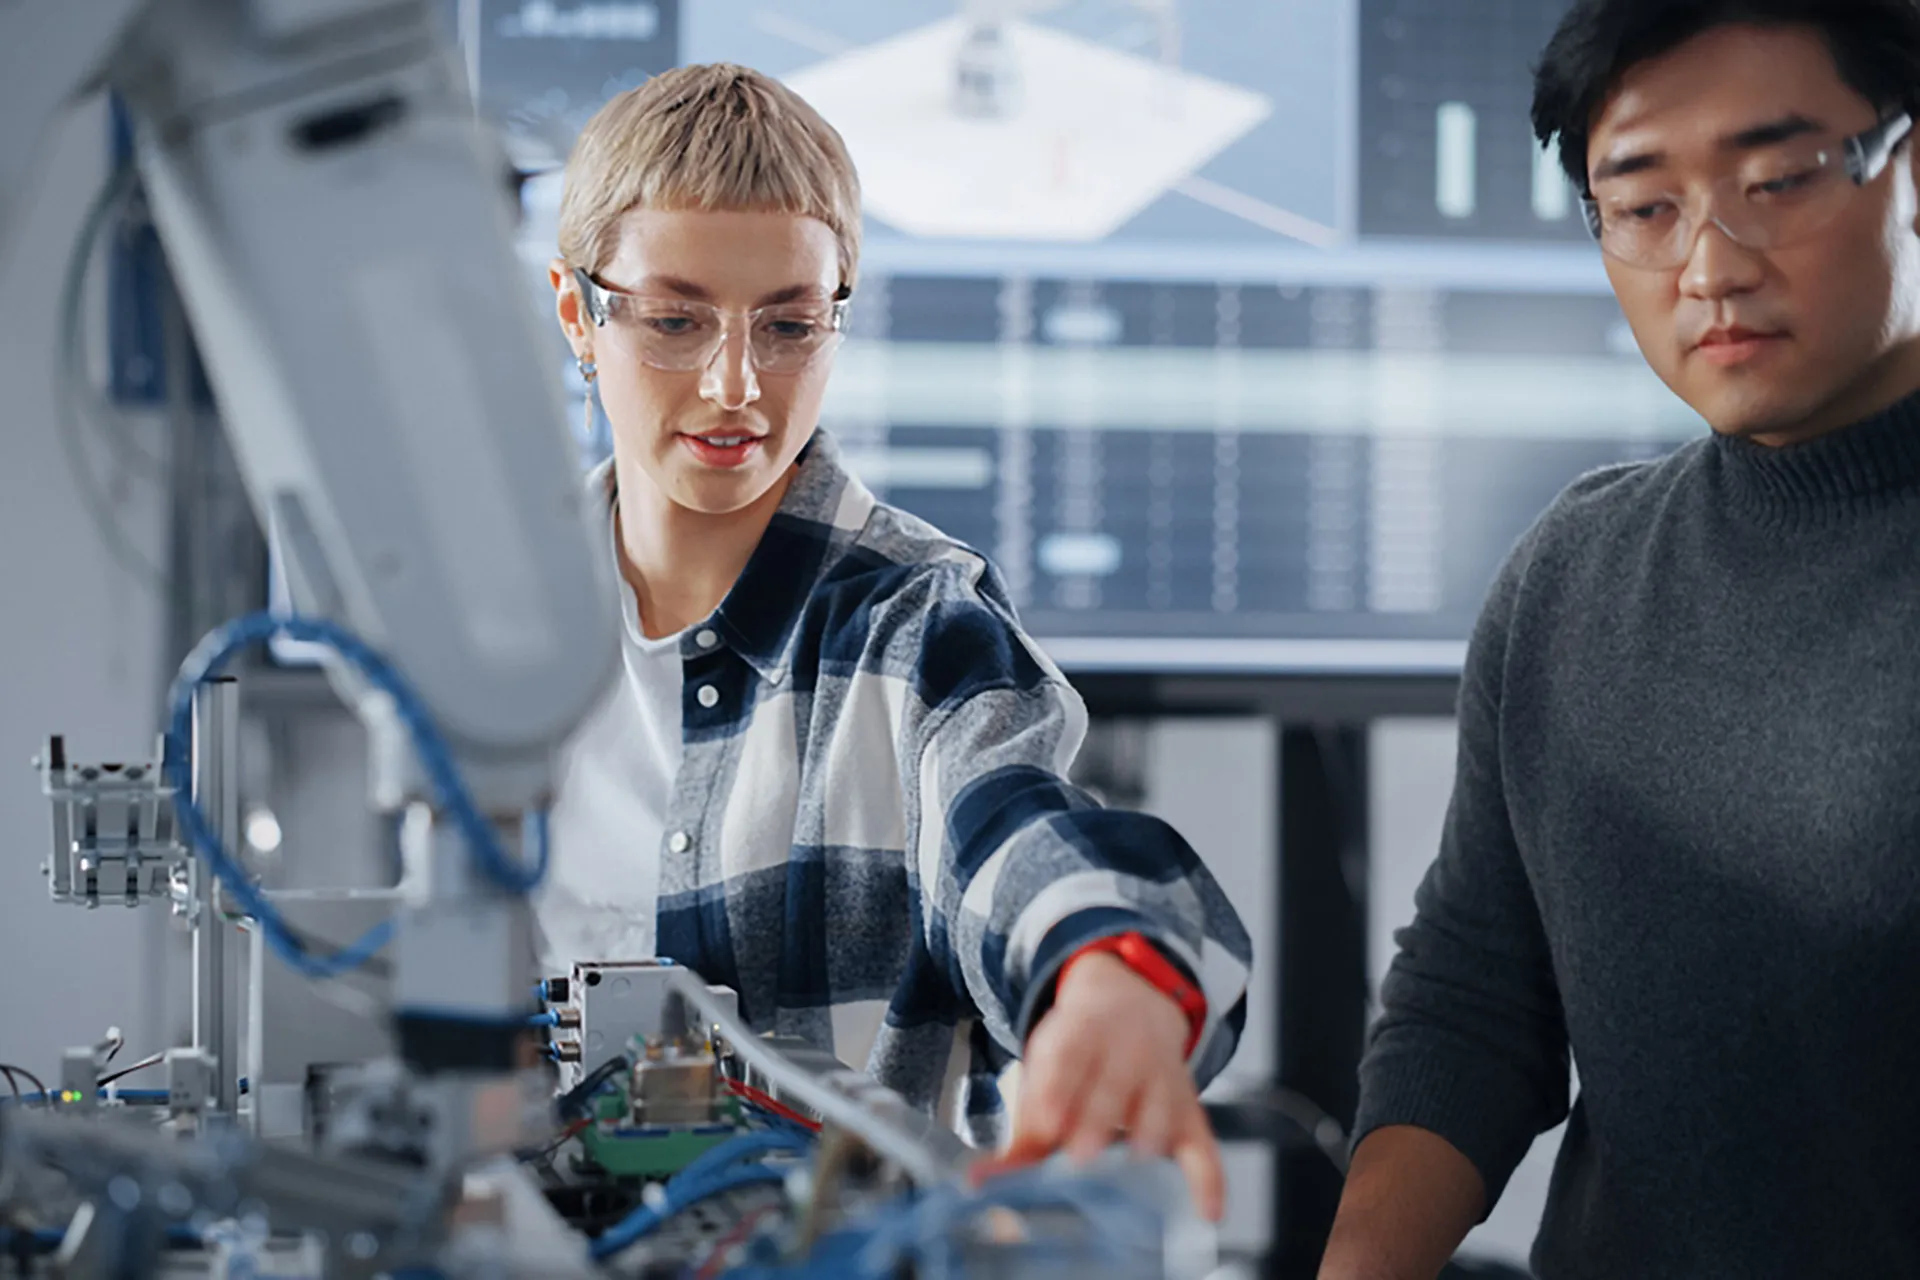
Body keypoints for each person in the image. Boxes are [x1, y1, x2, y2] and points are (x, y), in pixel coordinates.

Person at [532, 63, 1252, 1218]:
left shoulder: (919, 627)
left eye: (789, 325)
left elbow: (1013, 825)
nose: (735, 383)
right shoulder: (483, 631)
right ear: (580, 313)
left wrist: (1107, 968)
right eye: (674, 320)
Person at [1319, 1, 1920, 1276]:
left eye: (1775, 180)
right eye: (1643, 207)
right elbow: (1477, 1002)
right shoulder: (1575, 573)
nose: (1711, 264)